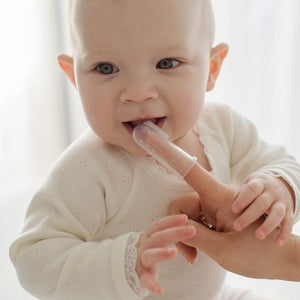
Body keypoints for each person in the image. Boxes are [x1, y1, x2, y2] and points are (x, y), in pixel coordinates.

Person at [9, 0, 300, 299]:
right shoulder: (87, 169)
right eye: (106, 68)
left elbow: (281, 163)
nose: (137, 93)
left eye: (167, 63)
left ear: (212, 69)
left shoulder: (223, 127)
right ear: (74, 78)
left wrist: (277, 187)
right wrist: (126, 263)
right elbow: (34, 260)